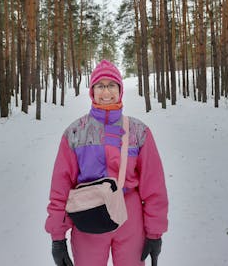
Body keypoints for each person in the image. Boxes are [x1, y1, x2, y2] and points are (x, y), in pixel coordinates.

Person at [45, 59, 168, 266]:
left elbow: (154, 186)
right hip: (87, 217)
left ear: (120, 89)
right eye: (100, 86)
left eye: (111, 85)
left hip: (130, 218)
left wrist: (155, 232)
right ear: (92, 91)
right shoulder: (75, 132)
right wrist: (57, 237)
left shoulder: (139, 132)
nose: (106, 92)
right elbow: (61, 187)